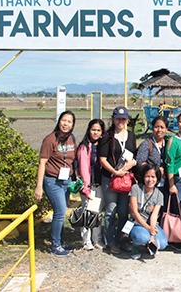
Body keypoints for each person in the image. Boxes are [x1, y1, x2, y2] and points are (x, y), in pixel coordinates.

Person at [35, 110, 78, 257]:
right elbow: (42, 163)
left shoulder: (72, 138)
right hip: (52, 180)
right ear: (59, 121)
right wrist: (39, 186)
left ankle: (60, 240)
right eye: (63, 120)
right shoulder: (50, 139)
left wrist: (75, 178)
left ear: (73, 125)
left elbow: (73, 160)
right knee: (60, 211)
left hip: (67, 180)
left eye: (69, 122)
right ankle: (56, 245)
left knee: (62, 211)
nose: (66, 124)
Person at [98, 106, 138, 254]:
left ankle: (123, 239)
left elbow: (133, 155)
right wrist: (115, 171)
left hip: (125, 179)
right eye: (117, 118)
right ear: (113, 119)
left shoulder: (132, 136)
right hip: (110, 179)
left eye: (123, 118)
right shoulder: (107, 136)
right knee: (110, 211)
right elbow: (102, 159)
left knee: (123, 212)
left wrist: (132, 164)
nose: (120, 121)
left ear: (127, 120)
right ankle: (111, 242)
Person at [75, 118, 106, 251]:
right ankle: (86, 240)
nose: (96, 132)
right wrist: (84, 187)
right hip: (88, 186)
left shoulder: (103, 146)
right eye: (93, 129)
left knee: (97, 212)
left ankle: (97, 239)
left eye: (98, 130)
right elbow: (80, 168)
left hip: (100, 184)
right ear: (88, 130)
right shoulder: (83, 147)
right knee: (87, 212)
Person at [127, 164, 168, 260]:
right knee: (142, 237)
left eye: (153, 177)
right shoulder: (136, 188)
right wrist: (148, 228)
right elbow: (134, 212)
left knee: (162, 244)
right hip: (137, 222)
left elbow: (154, 215)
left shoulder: (159, 194)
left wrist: (152, 232)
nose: (150, 180)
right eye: (147, 176)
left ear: (157, 178)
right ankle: (135, 246)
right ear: (143, 177)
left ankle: (148, 243)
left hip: (150, 223)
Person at [136, 117, 168, 191]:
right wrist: (156, 171)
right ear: (152, 128)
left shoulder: (168, 143)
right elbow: (140, 163)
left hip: (165, 183)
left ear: (166, 129)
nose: (159, 130)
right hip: (149, 184)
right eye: (156, 127)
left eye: (162, 127)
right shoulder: (146, 144)